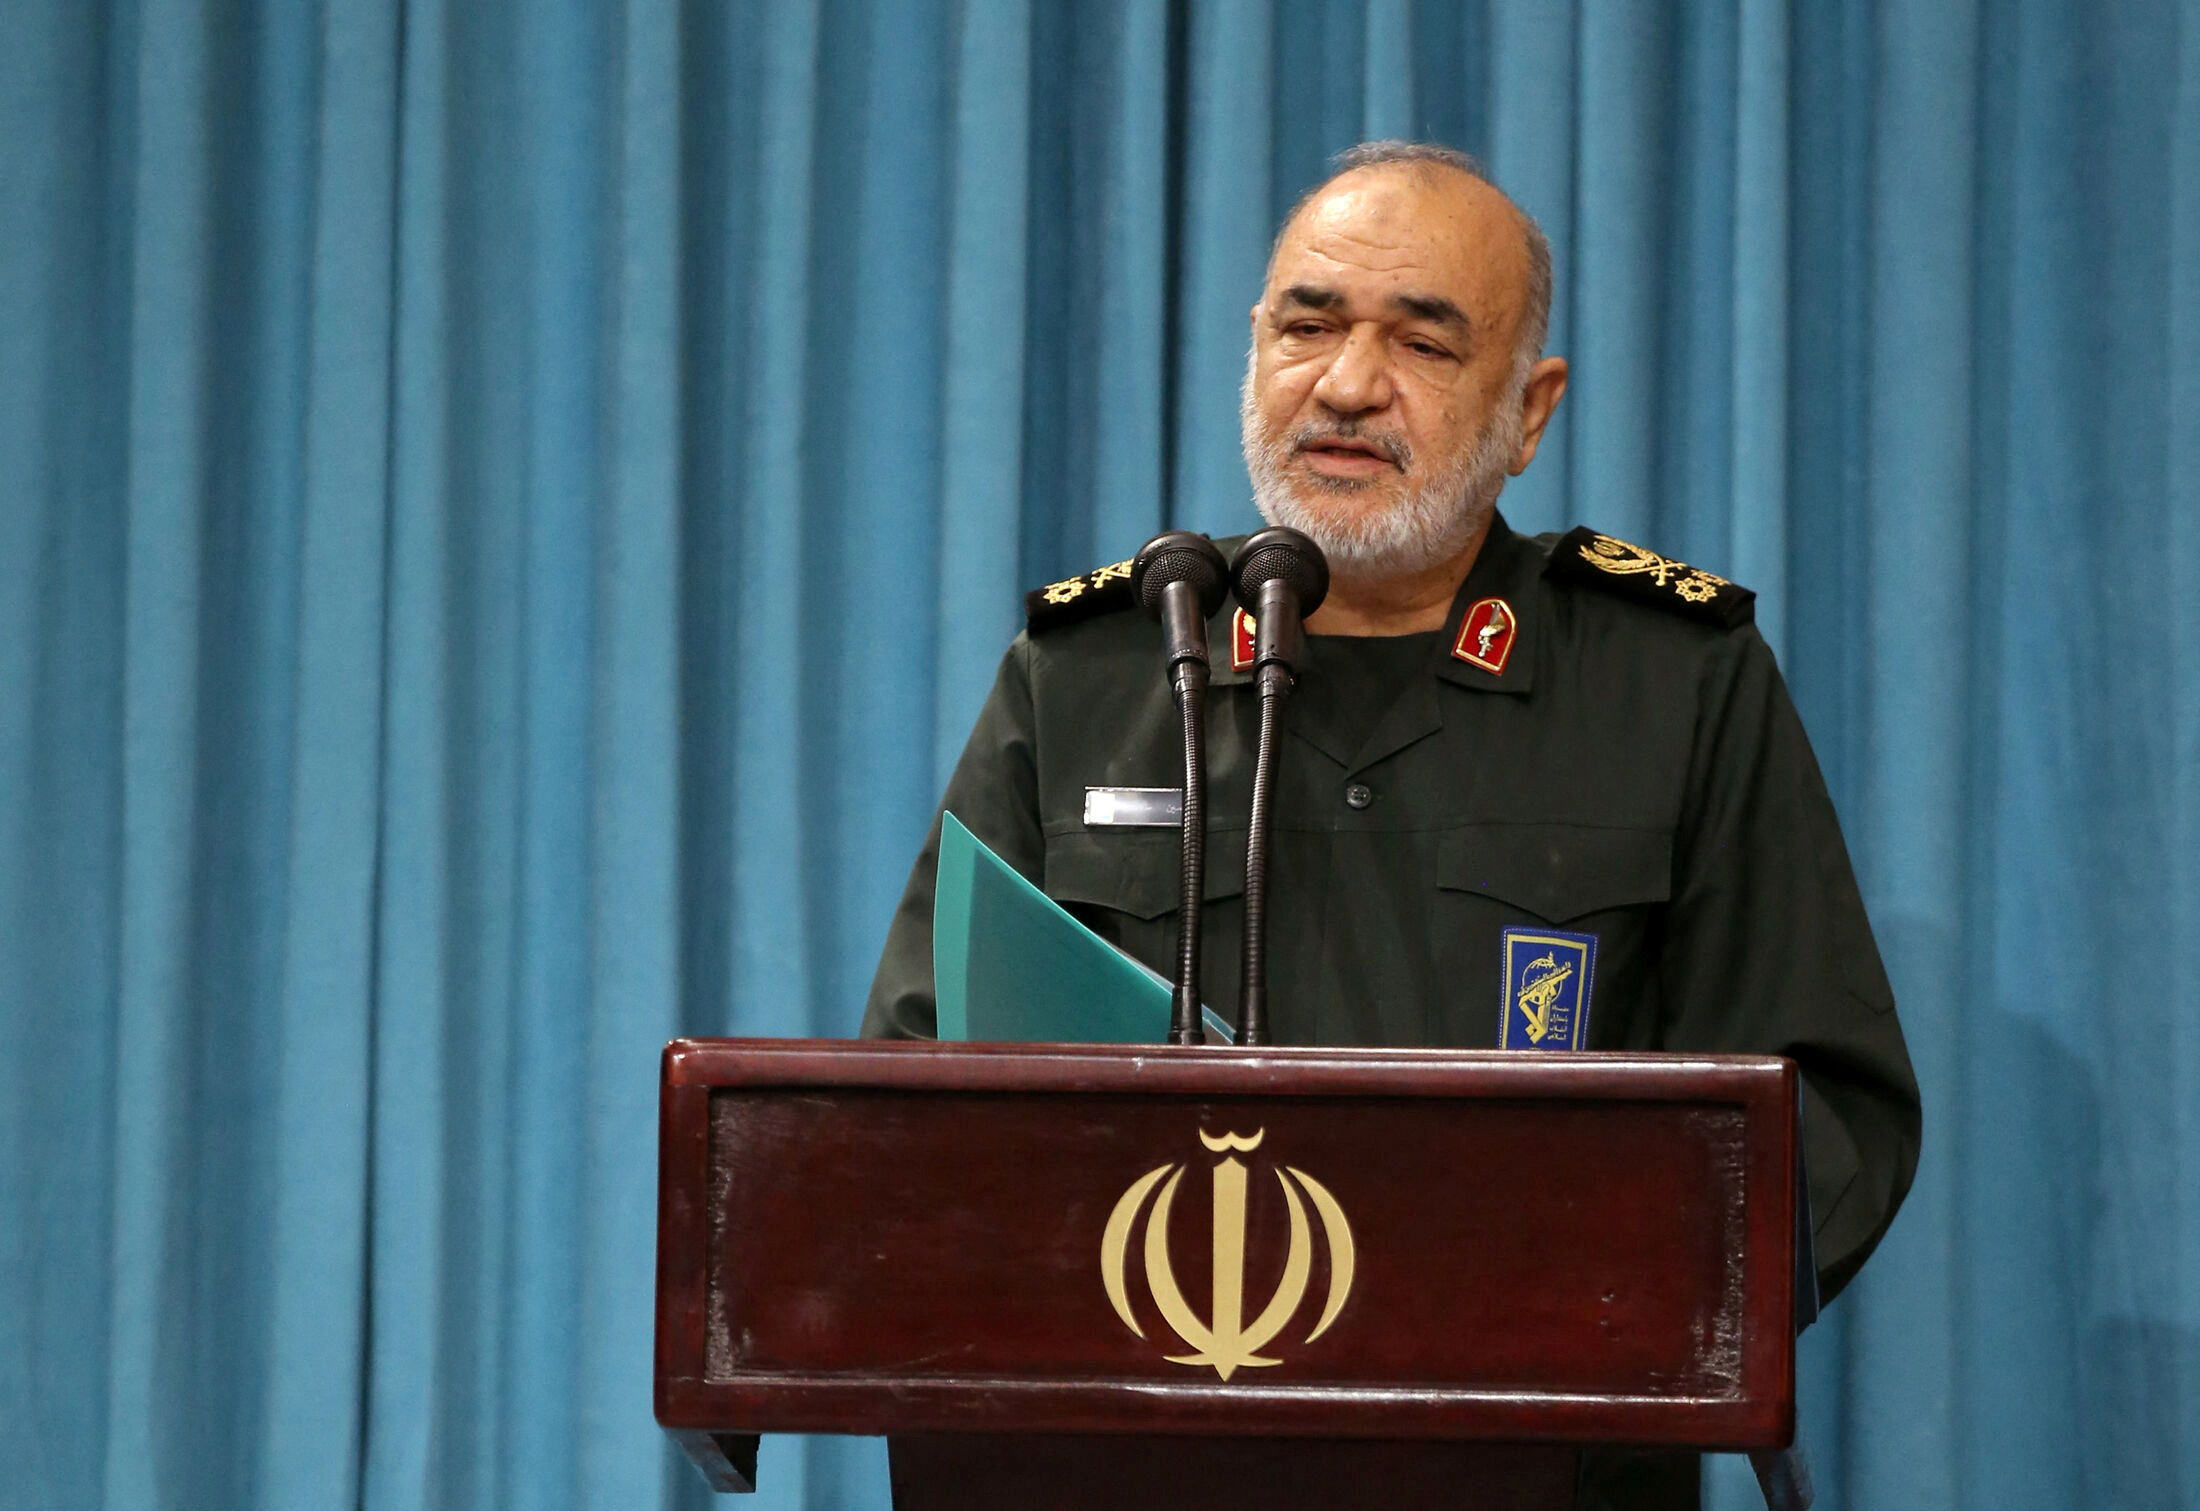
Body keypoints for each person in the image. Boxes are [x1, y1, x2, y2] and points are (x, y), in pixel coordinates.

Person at [861, 141, 1920, 1510]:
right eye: (1308, 324)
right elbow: (911, 1090)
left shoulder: (1673, 679)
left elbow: (1826, 1112)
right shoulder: (1096, 674)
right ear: (1255, 349)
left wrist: (1589, 1314)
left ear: (1529, 410)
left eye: (1422, 343)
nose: (1347, 384)